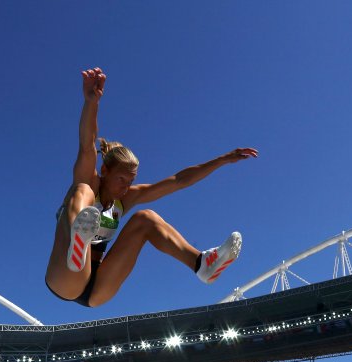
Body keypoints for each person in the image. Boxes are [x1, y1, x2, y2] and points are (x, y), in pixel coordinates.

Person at [45, 67, 258, 308]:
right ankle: (78, 240)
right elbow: (86, 144)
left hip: (98, 286)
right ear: (105, 172)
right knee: (80, 191)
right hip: (66, 277)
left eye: (131, 182)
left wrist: (221, 160)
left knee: (146, 218)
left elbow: (178, 180)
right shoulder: (91, 181)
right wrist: (91, 103)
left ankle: (201, 264)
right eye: (121, 180)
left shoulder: (124, 201)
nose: (126, 188)